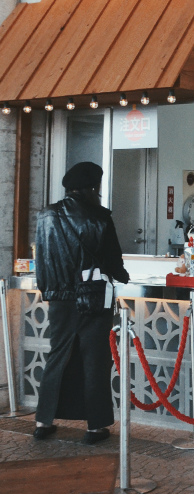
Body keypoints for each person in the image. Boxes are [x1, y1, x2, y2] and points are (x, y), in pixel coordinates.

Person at [33, 161, 128, 444]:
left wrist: (52, 290)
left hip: (59, 301)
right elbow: (114, 262)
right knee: (94, 360)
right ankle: (95, 427)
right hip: (93, 299)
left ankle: (42, 422)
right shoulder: (99, 218)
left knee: (57, 356)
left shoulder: (46, 215)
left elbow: (42, 260)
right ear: (93, 188)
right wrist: (122, 275)